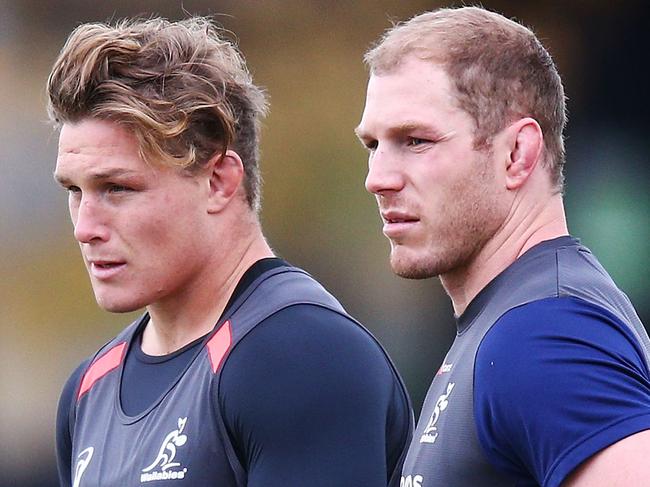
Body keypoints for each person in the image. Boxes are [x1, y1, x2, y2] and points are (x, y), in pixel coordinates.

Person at [48, 17, 412, 487]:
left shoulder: (299, 356)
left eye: (117, 188)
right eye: (75, 191)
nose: (85, 227)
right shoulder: (87, 391)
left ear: (219, 181)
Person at [355, 6, 650, 487]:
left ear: (517, 154)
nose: (378, 179)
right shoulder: (508, 323)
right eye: (373, 145)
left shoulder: (545, 334)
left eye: (416, 140)